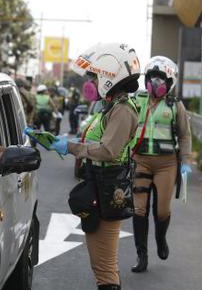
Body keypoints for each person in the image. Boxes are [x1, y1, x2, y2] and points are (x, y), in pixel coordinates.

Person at [52, 43, 141, 289]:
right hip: (100, 182)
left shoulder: (122, 110)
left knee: (103, 265)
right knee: (103, 263)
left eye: (95, 76)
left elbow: (108, 150)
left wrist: (70, 147)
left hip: (109, 185)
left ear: (110, 76)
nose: (92, 82)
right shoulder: (112, 107)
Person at [130, 56, 192, 273]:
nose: (155, 83)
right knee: (139, 209)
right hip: (140, 160)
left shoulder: (175, 106)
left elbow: (184, 136)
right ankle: (141, 256)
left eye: (160, 78)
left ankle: (161, 238)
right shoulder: (137, 100)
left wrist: (185, 161)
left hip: (166, 165)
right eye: (152, 78)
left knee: (162, 210)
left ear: (170, 81)